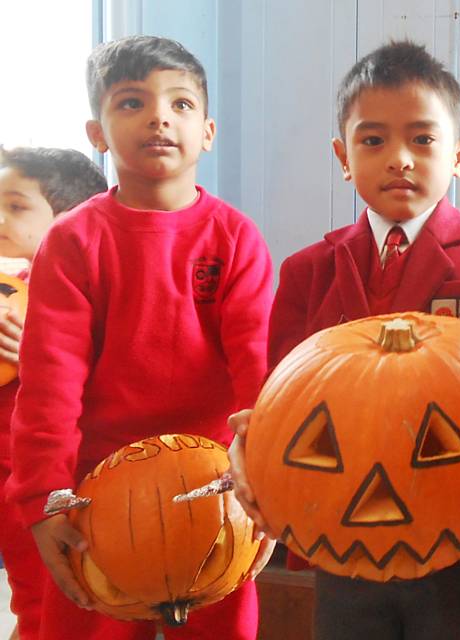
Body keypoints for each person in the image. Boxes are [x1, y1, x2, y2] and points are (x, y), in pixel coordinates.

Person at [228, 40, 460, 640]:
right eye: (373, 140)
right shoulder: (308, 270)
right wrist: (251, 447)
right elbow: (278, 392)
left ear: (459, 154)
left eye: (423, 139)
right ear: (344, 157)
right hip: (344, 528)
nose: (399, 158)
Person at [6, 36, 274, 640]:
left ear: (208, 131)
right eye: (131, 103)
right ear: (96, 132)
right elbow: (49, 382)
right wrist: (44, 498)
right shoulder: (74, 242)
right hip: (93, 493)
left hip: (214, 489)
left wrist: (268, 479)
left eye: (180, 104)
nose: (158, 116)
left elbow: (258, 376)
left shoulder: (236, 238)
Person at [0, 145, 107, 640]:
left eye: (17, 206)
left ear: (70, 219)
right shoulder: (12, 286)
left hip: (56, 486)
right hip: (13, 486)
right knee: (29, 598)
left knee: (57, 600)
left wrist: (38, 358)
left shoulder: (84, 292)